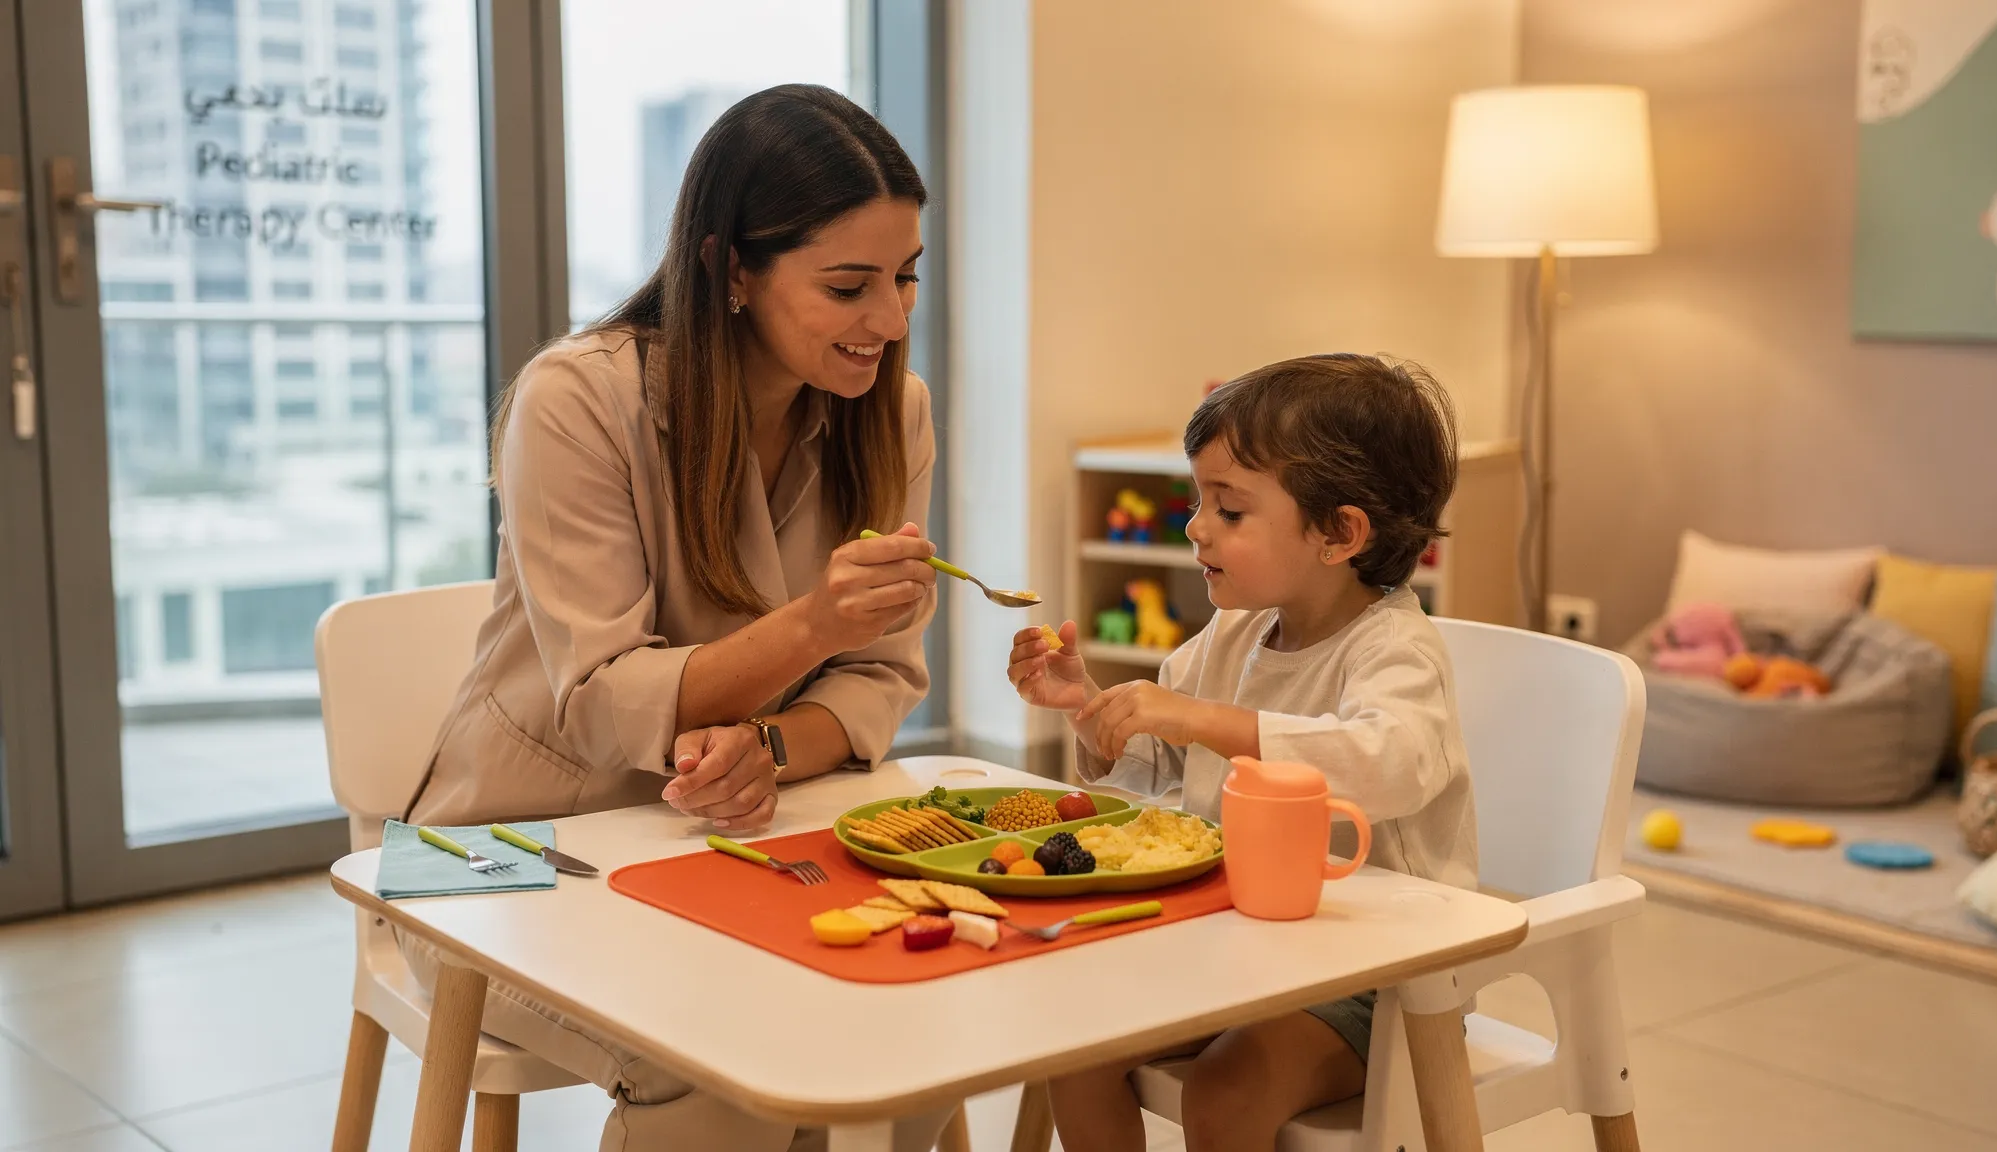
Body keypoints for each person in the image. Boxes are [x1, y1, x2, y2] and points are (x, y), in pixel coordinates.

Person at [399, 84, 952, 1151]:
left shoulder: (893, 412)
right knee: (719, 1063)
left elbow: (878, 680)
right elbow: (610, 710)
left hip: (725, 839)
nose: (888, 321)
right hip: (504, 852)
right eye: (848, 286)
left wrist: (767, 746)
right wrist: (811, 629)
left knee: (921, 1017)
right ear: (729, 269)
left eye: (905, 278)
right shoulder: (577, 399)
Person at [1006, 353, 1479, 1152]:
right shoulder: (1233, 632)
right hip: (1236, 949)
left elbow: (1387, 764)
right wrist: (1092, 714)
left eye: (1229, 510)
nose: (1195, 526)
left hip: (1375, 978)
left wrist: (1204, 720)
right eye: (1199, 500)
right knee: (1077, 1049)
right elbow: (1163, 773)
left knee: (1226, 1096)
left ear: (1339, 533)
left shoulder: (1395, 650)